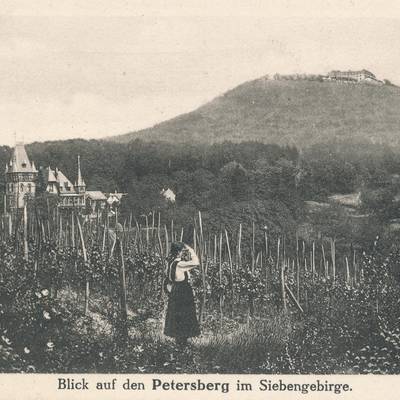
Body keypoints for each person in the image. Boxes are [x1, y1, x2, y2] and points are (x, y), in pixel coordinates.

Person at [164, 241, 200, 347]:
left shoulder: (171, 263)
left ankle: (179, 344)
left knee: (176, 317)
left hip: (175, 290)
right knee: (185, 316)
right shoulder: (180, 264)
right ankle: (183, 345)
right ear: (179, 252)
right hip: (183, 291)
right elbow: (196, 262)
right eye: (181, 251)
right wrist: (191, 250)